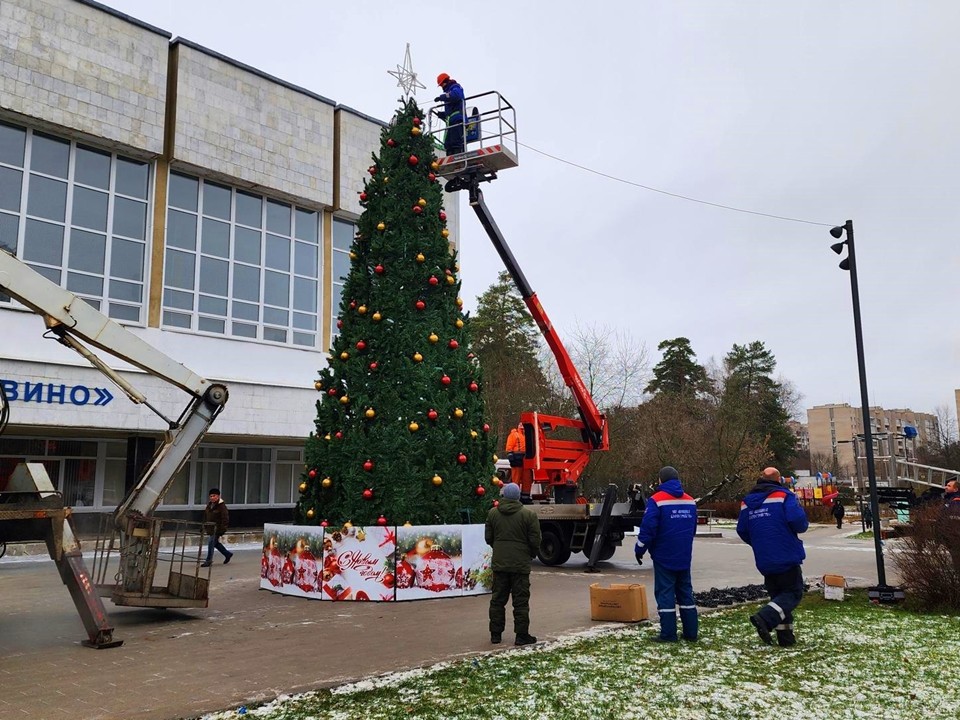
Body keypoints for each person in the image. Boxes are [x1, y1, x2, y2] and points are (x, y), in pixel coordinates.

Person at [737, 467, 809, 648]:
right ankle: (765, 617)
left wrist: (759, 543)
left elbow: (742, 530)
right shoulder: (784, 496)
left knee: (779, 597)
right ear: (779, 480)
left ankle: (785, 638)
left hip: (764, 557)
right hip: (785, 553)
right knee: (793, 592)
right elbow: (799, 523)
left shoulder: (747, 502)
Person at [634, 466, 699, 642]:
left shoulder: (656, 501)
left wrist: (639, 549)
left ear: (661, 480)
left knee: (665, 594)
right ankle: (691, 633)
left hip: (663, 556)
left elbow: (648, 529)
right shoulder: (690, 501)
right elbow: (692, 529)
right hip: (684, 555)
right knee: (686, 593)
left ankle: (668, 634)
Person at [485, 482, 542, 646]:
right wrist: (530, 554)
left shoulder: (493, 514)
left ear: (503, 496)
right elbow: (535, 541)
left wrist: (500, 549)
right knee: (521, 601)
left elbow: (489, 538)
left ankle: (495, 634)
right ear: (518, 497)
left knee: (497, 600)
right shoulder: (528, 515)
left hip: (500, 564)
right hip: (520, 565)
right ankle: (521, 635)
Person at [434, 72, 465, 156]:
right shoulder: (450, 91)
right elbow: (451, 111)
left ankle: (458, 156)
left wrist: (442, 97)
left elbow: (456, 96)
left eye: (441, 85)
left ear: (445, 82)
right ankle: (450, 156)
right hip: (451, 120)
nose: (441, 87)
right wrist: (442, 115)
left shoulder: (455, 87)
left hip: (457, 119)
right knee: (448, 144)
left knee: (455, 142)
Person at [202, 487, 233, 567]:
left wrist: (222, 530)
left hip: (217, 529)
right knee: (215, 544)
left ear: (218, 496)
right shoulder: (209, 505)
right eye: (211, 496)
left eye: (214, 496)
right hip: (210, 528)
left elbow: (225, 519)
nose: (212, 497)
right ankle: (227, 554)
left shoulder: (221, 506)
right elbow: (206, 516)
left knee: (211, 543)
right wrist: (203, 526)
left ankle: (208, 560)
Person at [505, 423, 526, 488]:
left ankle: (520, 495)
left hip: (523, 459)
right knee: (516, 479)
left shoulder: (524, 435)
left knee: (524, 479)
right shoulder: (514, 434)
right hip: (516, 459)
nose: (522, 426)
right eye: (520, 424)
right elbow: (509, 446)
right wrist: (511, 456)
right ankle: (515, 494)